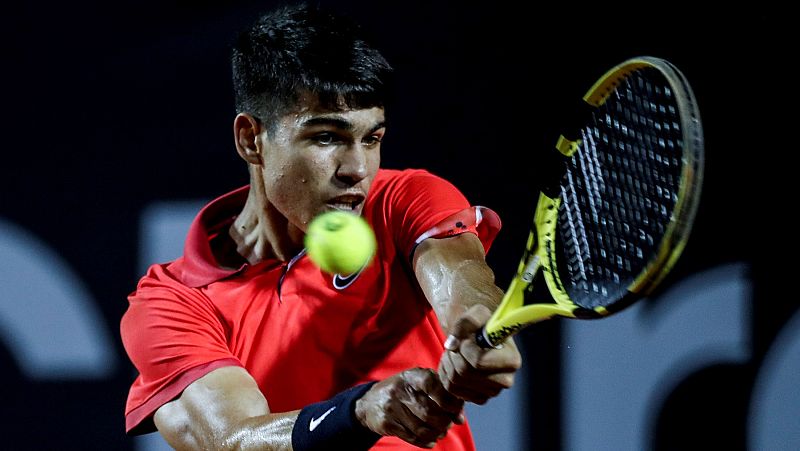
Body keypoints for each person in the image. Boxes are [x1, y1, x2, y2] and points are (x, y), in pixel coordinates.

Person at [120, 3, 521, 450]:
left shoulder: (404, 200)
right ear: (251, 139)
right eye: (327, 137)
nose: (357, 169)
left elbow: (461, 278)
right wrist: (358, 412)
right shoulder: (171, 302)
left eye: (371, 138)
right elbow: (232, 440)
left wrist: (480, 329)